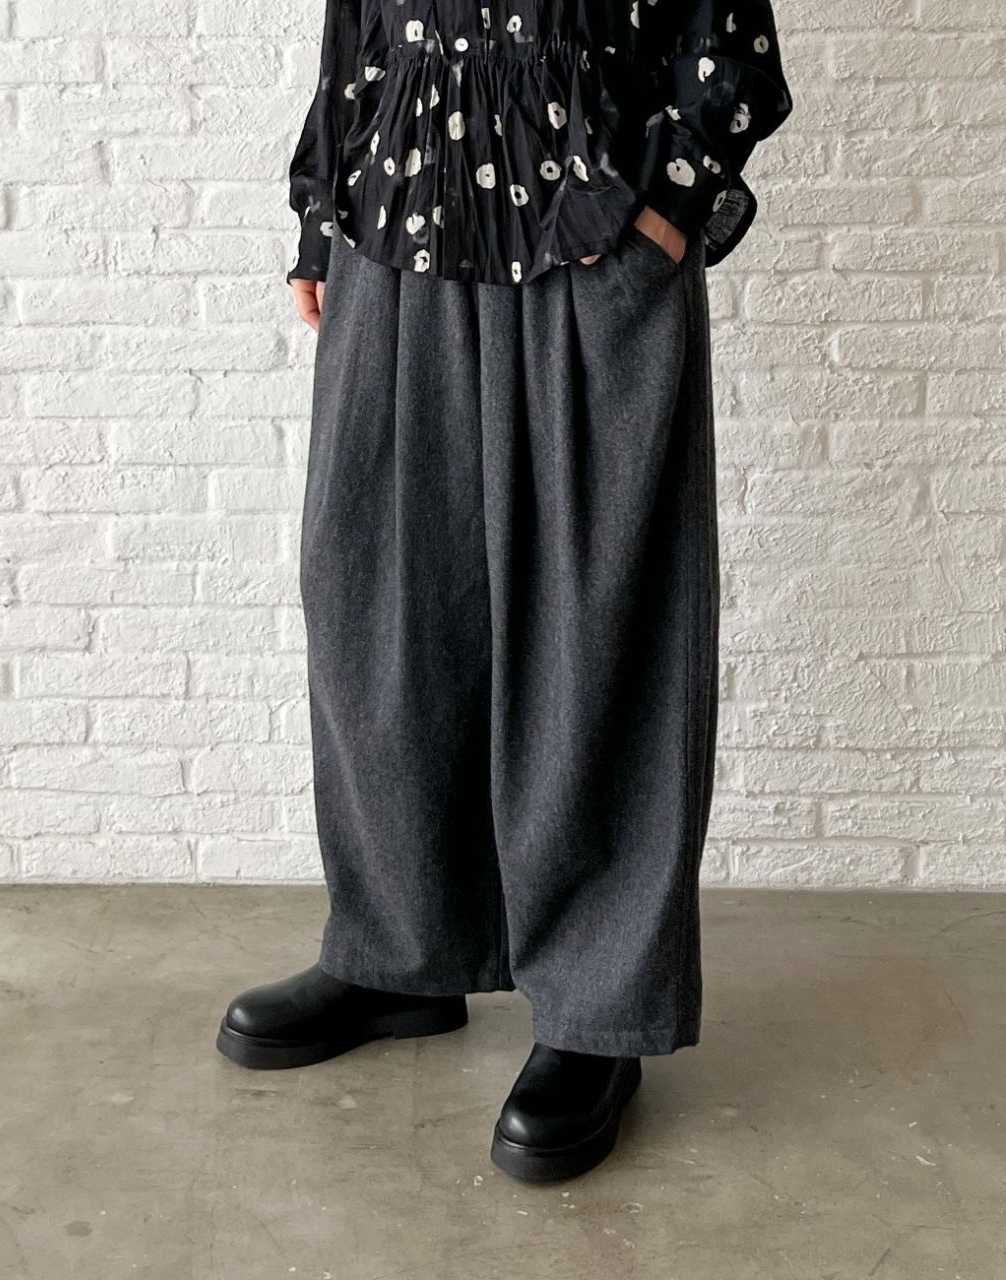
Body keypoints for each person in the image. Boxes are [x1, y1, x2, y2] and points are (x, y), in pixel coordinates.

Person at [216, 0, 793, 1183]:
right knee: (373, 601)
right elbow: (356, 24)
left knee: (595, 624)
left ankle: (596, 1007)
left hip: (592, 230)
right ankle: (398, 951)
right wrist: (324, 217)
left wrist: (664, 206)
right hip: (394, 225)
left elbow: (726, 34)